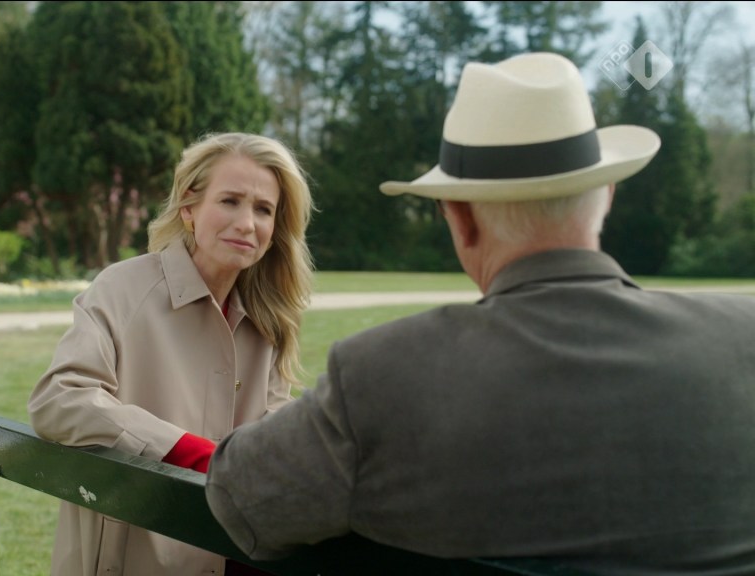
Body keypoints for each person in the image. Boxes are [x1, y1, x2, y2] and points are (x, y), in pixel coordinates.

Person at [205, 52, 755, 575]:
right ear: (607, 195)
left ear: (461, 219)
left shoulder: (381, 377)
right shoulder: (742, 341)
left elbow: (236, 498)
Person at [28, 131, 314, 576]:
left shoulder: (268, 317)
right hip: (133, 555)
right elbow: (59, 399)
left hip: (233, 551)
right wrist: (185, 451)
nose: (247, 223)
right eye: (230, 201)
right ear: (188, 207)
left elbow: (271, 425)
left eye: (264, 209)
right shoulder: (122, 289)